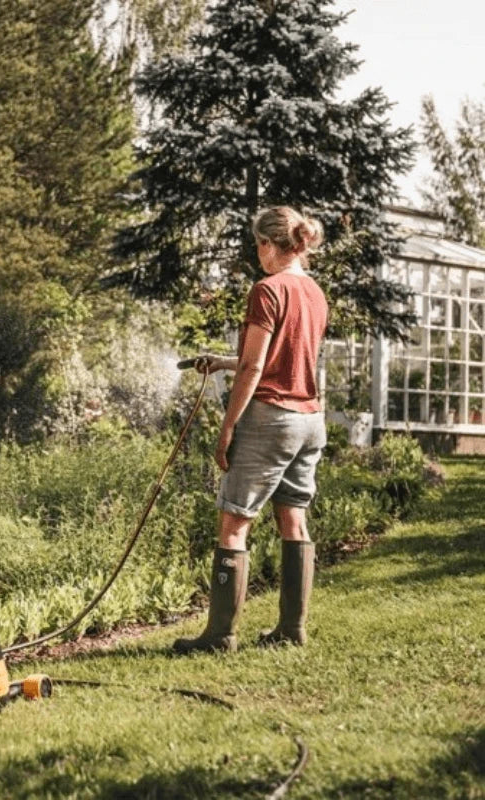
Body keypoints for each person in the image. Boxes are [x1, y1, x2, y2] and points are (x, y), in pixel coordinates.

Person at [174, 206, 328, 654]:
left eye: (257, 244)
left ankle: (219, 636)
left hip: (269, 420)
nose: (256, 253)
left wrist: (228, 426)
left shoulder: (267, 289)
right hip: (309, 420)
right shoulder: (315, 293)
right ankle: (291, 629)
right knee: (292, 519)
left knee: (234, 523)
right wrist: (224, 362)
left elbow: (258, 365)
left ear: (267, 244)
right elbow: (287, 356)